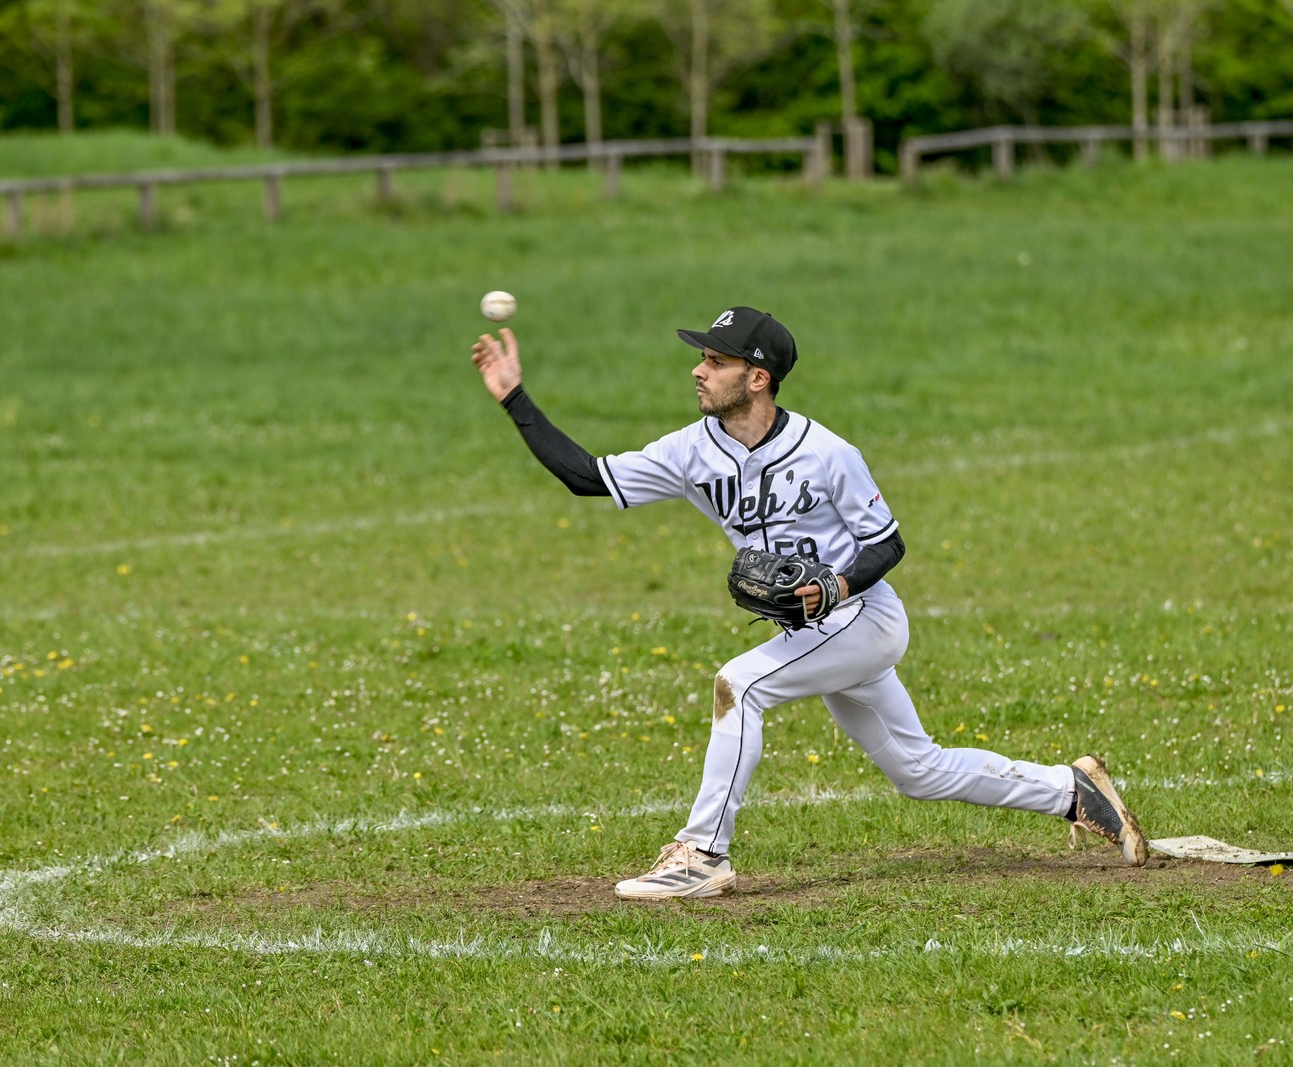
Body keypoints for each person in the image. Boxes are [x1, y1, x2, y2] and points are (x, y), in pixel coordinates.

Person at [469, 307, 1147, 900]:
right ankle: (1072, 790)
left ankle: (703, 854)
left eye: (715, 360)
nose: (698, 371)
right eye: (701, 358)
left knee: (741, 683)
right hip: (813, 634)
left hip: (866, 619)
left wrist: (835, 586)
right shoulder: (690, 449)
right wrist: (514, 397)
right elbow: (587, 477)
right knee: (918, 768)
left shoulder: (827, 453)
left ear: (757, 377)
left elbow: (886, 544)